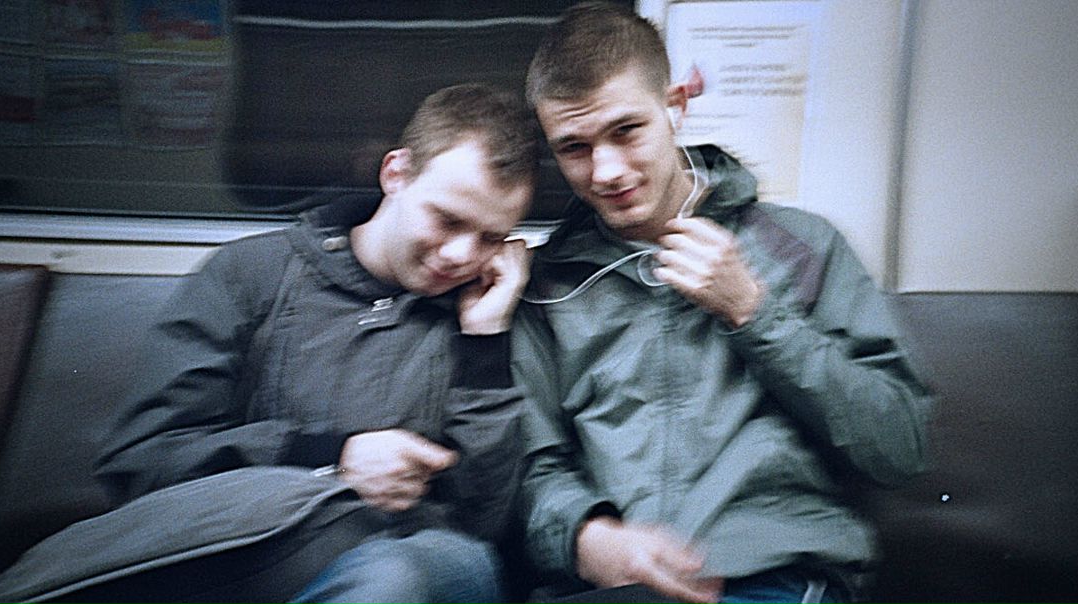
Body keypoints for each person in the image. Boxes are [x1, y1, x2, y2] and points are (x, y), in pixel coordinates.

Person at [512, 4, 933, 604]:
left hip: (773, 575)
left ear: (675, 106)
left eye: (626, 131)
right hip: (611, 587)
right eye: (574, 147)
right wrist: (585, 536)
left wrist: (754, 313)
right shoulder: (546, 285)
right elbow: (533, 466)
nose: (606, 171)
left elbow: (901, 447)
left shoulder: (801, 246)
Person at [95, 83, 539, 603]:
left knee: (394, 581)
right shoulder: (250, 276)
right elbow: (141, 464)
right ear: (395, 173)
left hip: (414, 561)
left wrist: (485, 343)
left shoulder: (485, 311)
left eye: (490, 237)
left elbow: (484, 523)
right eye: (447, 220)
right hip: (251, 550)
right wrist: (328, 460)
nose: (461, 255)